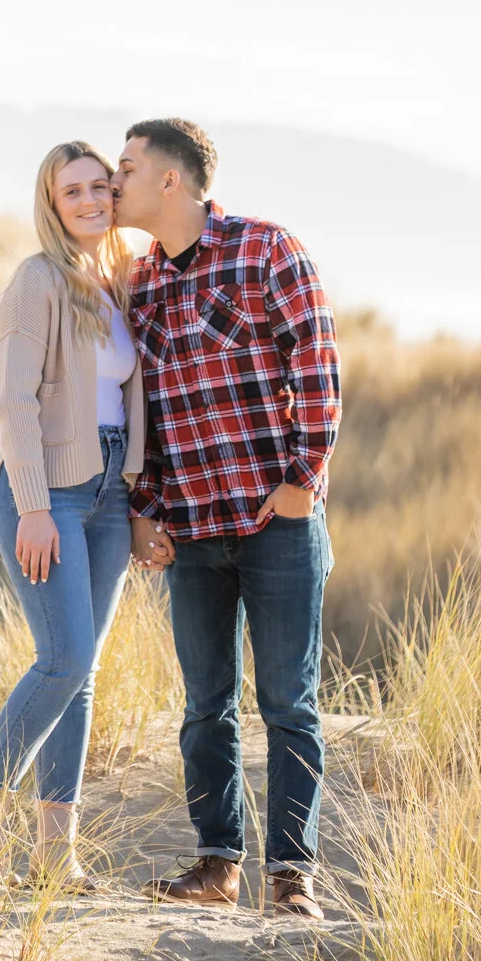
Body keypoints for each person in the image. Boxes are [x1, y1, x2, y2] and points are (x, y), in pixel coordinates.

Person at [113, 117, 341, 920]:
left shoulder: (266, 251)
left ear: (170, 180)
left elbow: (316, 364)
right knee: (205, 704)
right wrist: (144, 511)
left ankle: (291, 878)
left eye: (128, 168)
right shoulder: (140, 282)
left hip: (274, 524)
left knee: (288, 703)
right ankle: (217, 864)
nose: (116, 182)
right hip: (191, 532)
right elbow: (138, 410)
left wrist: (302, 481)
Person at [0, 139, 145, 889]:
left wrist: (135, 492)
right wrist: (35, 506)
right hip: (46, 490)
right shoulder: (34, 282)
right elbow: (13, 403)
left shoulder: (116, 283)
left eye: (100, 187)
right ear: (50, 201)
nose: (88, 200)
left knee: (85, 670)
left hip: (109, 495)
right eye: (71, 190)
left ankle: (54, 853)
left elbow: (126, 396)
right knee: (63, 657)